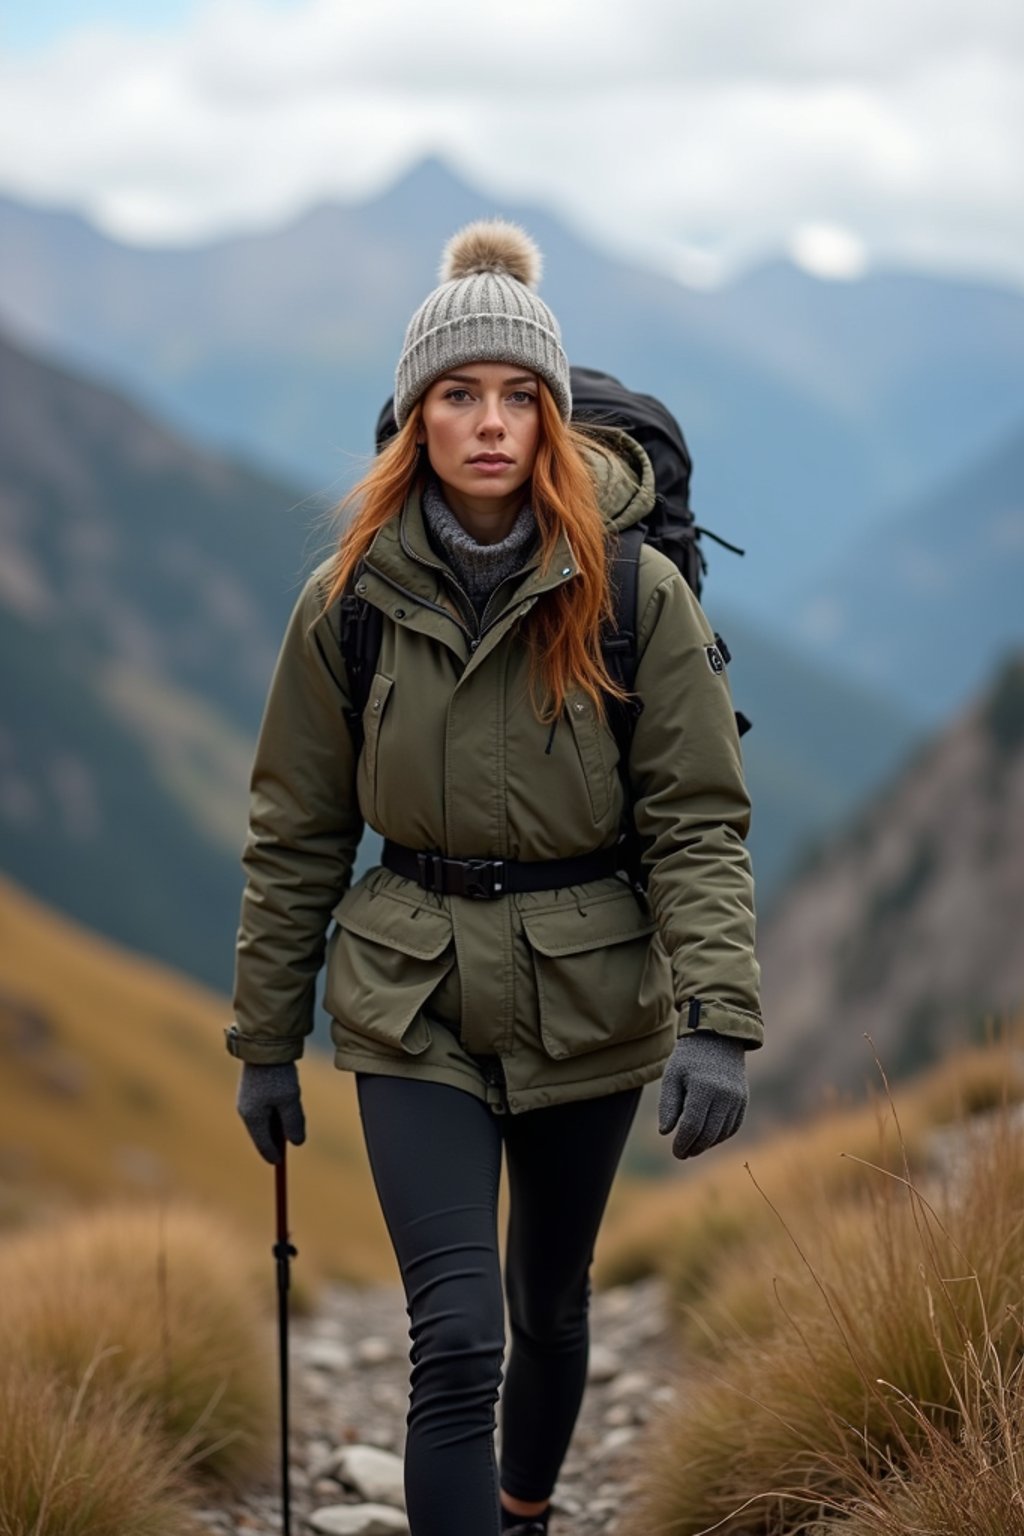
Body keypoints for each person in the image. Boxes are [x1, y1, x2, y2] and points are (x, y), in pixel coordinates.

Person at [227, 218, 763, 1536]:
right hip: (411, 1001)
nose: (487, 422)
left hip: (591, 996)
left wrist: (719, 1021)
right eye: (457, 395)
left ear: (551, 416)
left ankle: (523, 1513)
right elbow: (297, 828)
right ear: (415, 417)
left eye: (515, 397)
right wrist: (265, 1040)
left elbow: (695, 819)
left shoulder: (635, 596)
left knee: (552, 1307)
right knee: (458, 1338)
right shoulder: (345, 601)